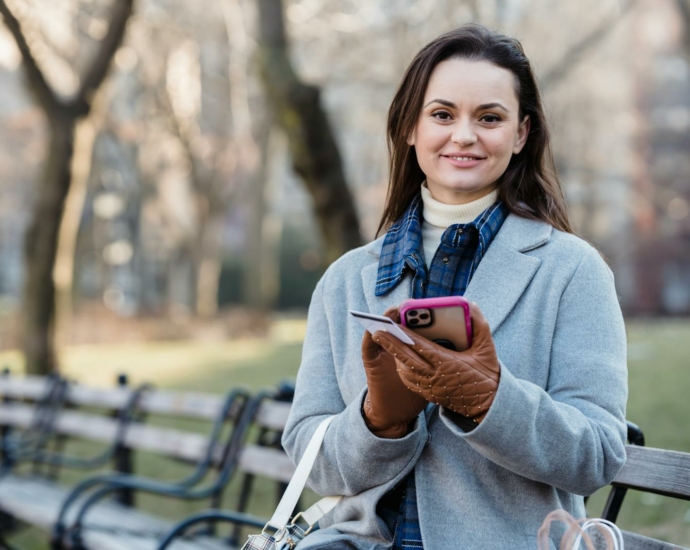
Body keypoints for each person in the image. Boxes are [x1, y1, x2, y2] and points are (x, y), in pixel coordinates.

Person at [282, 23, 627, 550]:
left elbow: (597, 455)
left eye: (489, 118)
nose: (464, 135)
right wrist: (378, 421)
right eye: (442, 114)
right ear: (410, 128)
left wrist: (489, 400)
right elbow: (312, 455)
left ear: (520, 134)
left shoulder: (573, 271)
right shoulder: (345, 281)